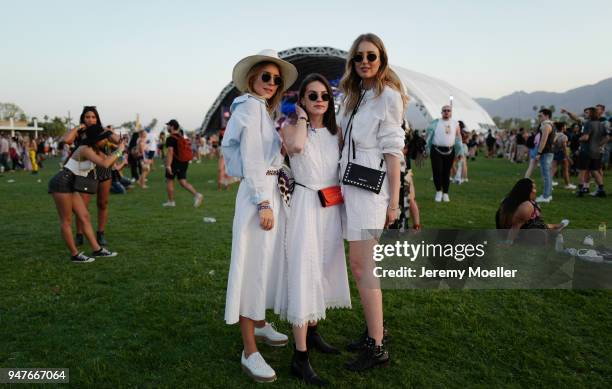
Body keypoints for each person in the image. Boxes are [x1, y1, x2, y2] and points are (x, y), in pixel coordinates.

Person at [222, 49, 298, 383]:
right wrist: (262, 202)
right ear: (252, 78)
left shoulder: (263, 111)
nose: (271, 83)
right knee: (251, 265)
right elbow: (251, 158)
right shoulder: (250, 107)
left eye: (276, 79)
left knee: (265, 263)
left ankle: (261, 322)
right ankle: (249, 349)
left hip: (267, 190)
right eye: (265, 76)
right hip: (259, 195)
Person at [338, 33, 408, 372]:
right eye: (359, 57)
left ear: (382, 60)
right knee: (361, 266)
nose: (365, 62)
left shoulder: (388, 97)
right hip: (349, 185)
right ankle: (373, 332)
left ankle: (377, 347)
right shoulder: (354, 97)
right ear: (352, 62)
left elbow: (393, 152)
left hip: (370, 190)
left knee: (364, 267)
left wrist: (394, 204)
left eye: (372, 56)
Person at [277, 73, 351, 386]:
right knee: (304, 274)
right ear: (302, 99)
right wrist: (303, 118)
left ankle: (315, 332)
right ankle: (300, 355)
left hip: (331, 207)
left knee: (323, 269)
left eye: (324, 95)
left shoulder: (337, 132)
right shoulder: (292, 126)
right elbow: (294, 148)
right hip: (306, 206)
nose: (319, 100)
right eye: (312, 95)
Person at [48, 124, 121, 262]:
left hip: (71, 183)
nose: (106, 141)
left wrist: (120, 151)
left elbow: (110, 163)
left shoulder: (94, 150)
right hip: (62, 182)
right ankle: (75, 254)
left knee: (84, 216)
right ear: (96, 139)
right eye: (104, 139)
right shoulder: (84, 149)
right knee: (66, 220)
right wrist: (120, 150)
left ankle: (97, 249)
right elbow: (105, 164)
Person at [62, 106, 120, 246]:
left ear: (97, 118)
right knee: (83, 205)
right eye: (87, 117)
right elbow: (67, 141)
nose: (91, 119)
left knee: (103, 203)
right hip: (85, 171)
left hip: (103, 169)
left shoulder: (102, 130)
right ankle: (80, 234)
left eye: (93, 117)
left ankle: (100, 233)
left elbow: (118, 141)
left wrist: (108, 130)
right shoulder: (80, 131)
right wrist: (78, 127)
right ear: (83, 118)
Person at [496, 178, 568, 245]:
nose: (535, 191)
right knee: (543, 232)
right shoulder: (526, 206)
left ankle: (558, 226)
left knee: (546, 226)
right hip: (520, 232)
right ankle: (556, 229)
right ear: (527, 191)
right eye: (534, 188)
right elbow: (515, 226)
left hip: (506, 232)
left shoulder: (507, 200)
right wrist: (508, 242)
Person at [162, 119, 203, 207]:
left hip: (174, 162)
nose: (167, 127)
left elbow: (170, 151)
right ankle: (197, 195)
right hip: (184, 162)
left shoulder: (170, 138)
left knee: (169, 181)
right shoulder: (182, 137)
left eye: (168, 125)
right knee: (183, 182)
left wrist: (168, 165)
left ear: (172, 126)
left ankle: (171, 201)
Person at [424, 105, 462, 202]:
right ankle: (438, 191)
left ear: (451, 112)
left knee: (446, 172)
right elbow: (428, 137)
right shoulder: (435, 123)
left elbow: (458, 138)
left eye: (448, 110)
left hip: (450, 151)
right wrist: (426, 149)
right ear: (441, 112)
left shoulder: (455, 124)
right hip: (436, 150)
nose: (446, 112)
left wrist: (460, 151)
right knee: (437, 171)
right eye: (444, 110)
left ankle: (445, 193)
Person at [575, 107, 608, 197]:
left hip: (586, 150)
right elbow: (607, 137)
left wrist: (579, 139)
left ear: (591, 114)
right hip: (596, 151)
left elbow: (585, 137)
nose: (585, 114)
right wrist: (599, 144)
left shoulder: (588, 123)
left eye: (587, 113)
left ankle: (581, 190)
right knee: (594, 171)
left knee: (582, 171)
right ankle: (601, 189)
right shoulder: (601, 124)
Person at [534, 109, 555, 203]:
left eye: (540, 115)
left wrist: (539, 153)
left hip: (546, 152)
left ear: (547, 116)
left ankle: (546, 196)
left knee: (546, 175)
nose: (539, 117)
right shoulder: (549, 125)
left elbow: (543, 140)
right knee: (548, 175)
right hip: (548, 152)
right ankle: (548, 195)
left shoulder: (546, 126)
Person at [550, 122, 576, 189]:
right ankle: (567, 184)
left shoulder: (554, 135)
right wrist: (567, 157)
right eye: (565, 126)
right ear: (562, 128)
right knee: (565, 170)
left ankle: (549, 183)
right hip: (562, 153)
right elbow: (564, 147)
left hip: (555, 152)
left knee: (553, 169)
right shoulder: (564, 136)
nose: (566, 127)